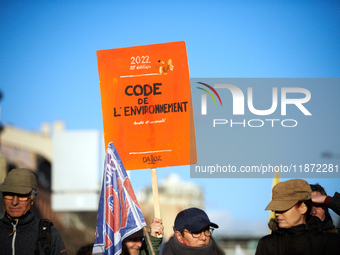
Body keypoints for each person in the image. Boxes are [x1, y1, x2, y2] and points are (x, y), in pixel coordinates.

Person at [255, 179, 340, 255]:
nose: (313, 211)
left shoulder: (331, 242)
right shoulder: (268, 244)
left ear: (303, 208)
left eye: (283, 207)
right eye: (276, 208)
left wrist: (328, 200)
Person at [0, 168, 67, 254]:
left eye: (21, 196)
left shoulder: (49, 235)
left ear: (33, 199)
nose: (14, 202)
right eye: (9, 195)